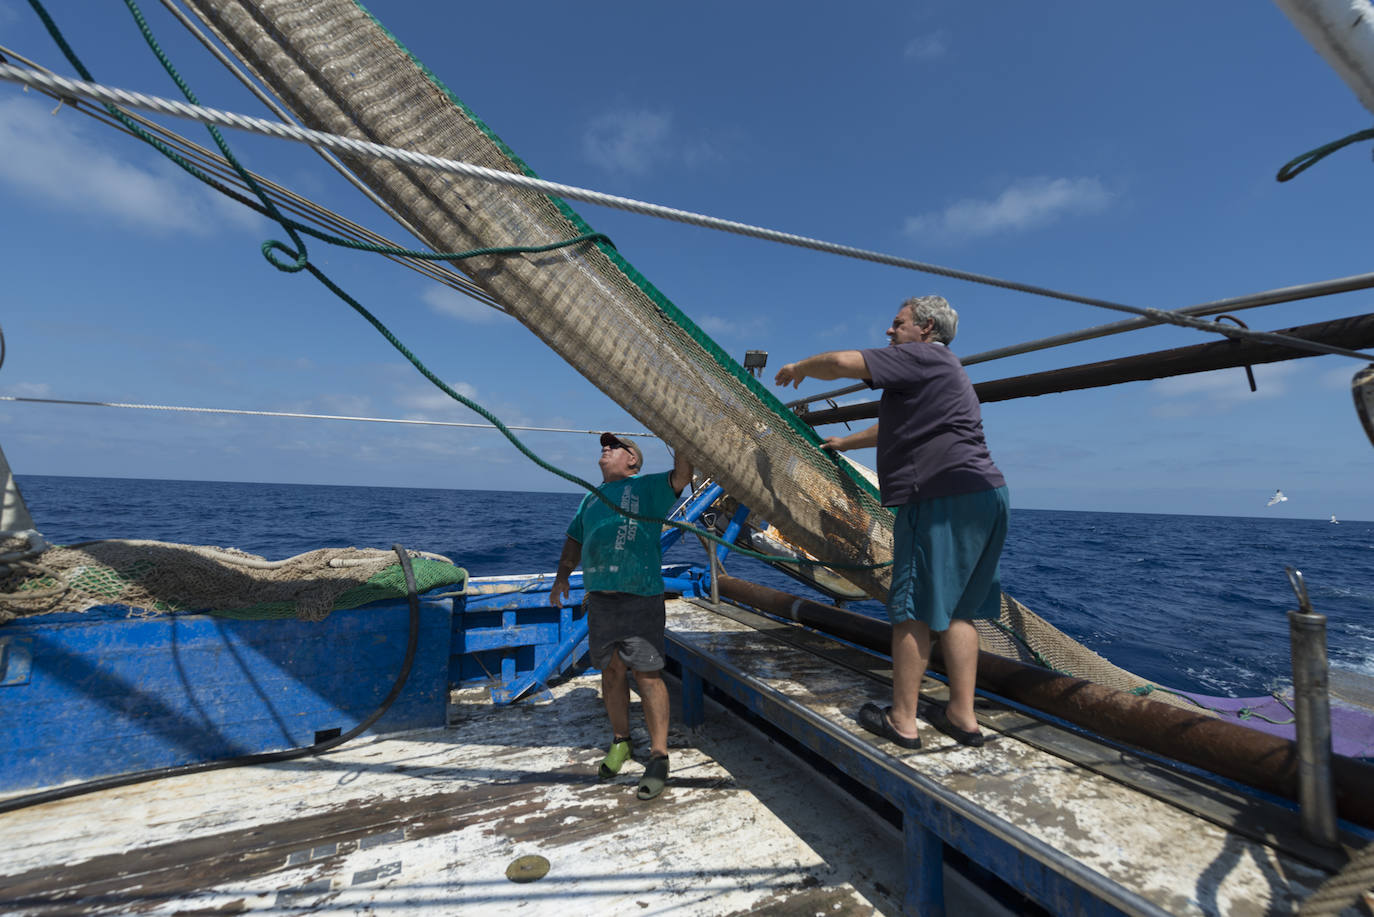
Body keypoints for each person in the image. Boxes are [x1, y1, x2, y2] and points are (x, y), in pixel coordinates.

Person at [774, 295, 1007, 749]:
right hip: (986, 495)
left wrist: (799, 366)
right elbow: (893, 428)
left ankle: (902, 720)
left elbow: (843, 362)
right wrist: (845, 442)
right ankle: (962, 715)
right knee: (960, 611)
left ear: (924, 328)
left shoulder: (918, 356)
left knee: (913, 610)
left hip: (940, 496)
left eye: (897, 324)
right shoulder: (943, 371)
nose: (889, 331)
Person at [550, 432, 693, 798]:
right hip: (600, 600)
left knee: (647, 676)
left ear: (633, 459)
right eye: (605, 445)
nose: (606, 449)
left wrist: (682, 433)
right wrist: (562, 576)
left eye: (615, 446)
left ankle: (659, 756)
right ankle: (621, 741)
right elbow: (574, 540)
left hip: (640, 597)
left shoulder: (648, 488)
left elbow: (683, 473)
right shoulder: (590, 498)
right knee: (611, 672)